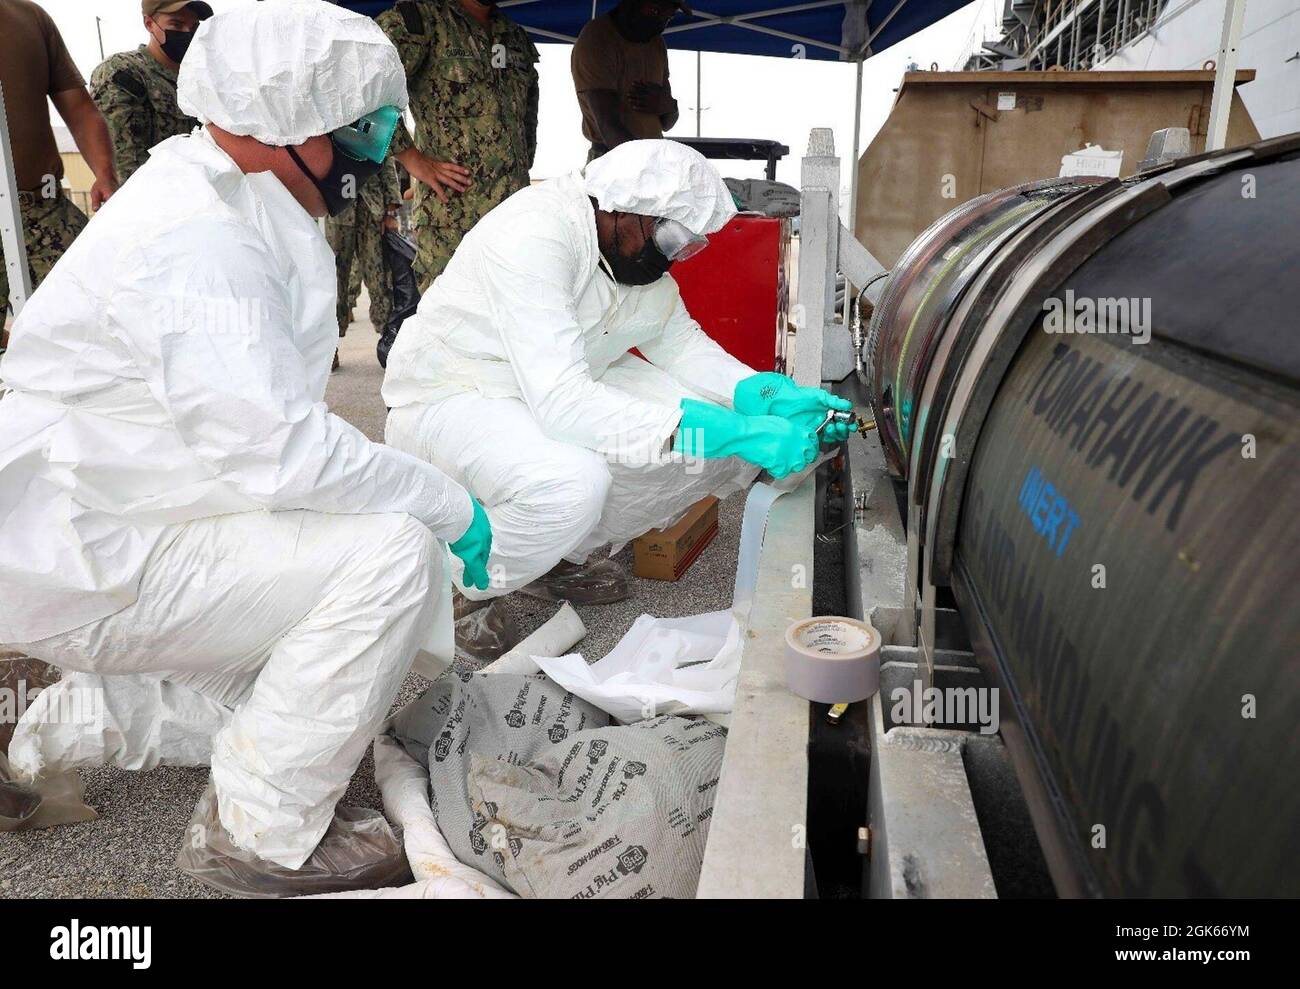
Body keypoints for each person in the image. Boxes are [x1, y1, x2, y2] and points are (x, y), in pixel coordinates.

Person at [0, 0, 492, 876]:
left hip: (123, 522)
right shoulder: (200, 237)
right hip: (99, 548)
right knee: (391, 557)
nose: (376, 153)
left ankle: (35, 731)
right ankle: (261, 832)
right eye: (365, 129)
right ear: (291, 126)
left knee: (296, 696)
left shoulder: (228, 192)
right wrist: (445, 501)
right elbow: (281, 451)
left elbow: (260, 425)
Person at [382, 139, 855, 616]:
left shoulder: (627, 255)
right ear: (626, 210)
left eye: (689, 247)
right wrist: (730, 432)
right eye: (671, 240)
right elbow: (564, 403)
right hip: (454, 394)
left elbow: (680, 344)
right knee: (575, 484)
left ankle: (552, 549)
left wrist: (765, 394)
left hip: (545, 385)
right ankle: (456, 582)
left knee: (710, 429)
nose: (673, 259)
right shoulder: (536, 233)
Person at [376, 0, 539, 290]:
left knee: (513, 325)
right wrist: (411, 158)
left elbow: (527, 112)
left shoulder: (513, 36)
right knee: (451, 326)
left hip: (512, 223)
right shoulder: (420, 22)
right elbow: (366, 87)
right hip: (451, 222)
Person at [0, 0, 118, 322]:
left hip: (44, 210)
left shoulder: (29, 16)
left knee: (102, 315)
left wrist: (104, 174)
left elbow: (79, 109)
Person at [89, 0, 211, 186]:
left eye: (194, 27)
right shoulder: (124, 72)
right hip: (154, 202)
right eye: (176, 24)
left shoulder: (202, 77)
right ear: (149, 23)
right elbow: (126, 166)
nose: (187, 33)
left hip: (207, 197)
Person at [571, 0, 687, 160]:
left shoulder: (656, 43)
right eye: (654, 11)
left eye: (669, 17)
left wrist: (670, 107)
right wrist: (644, 165)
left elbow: (668, 122)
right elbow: (608, 126)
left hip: (653, 155)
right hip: (613, 158)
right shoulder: (598, 38)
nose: (661, 23)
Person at [326, 157, 402, 341]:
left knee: (379, 277)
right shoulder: (329, 130)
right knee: (334, 280)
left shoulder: (375, 129)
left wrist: (391, 212)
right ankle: (330, 343)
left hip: (372, 210)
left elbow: (387, 162)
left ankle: (387, 336)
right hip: (338, 208)